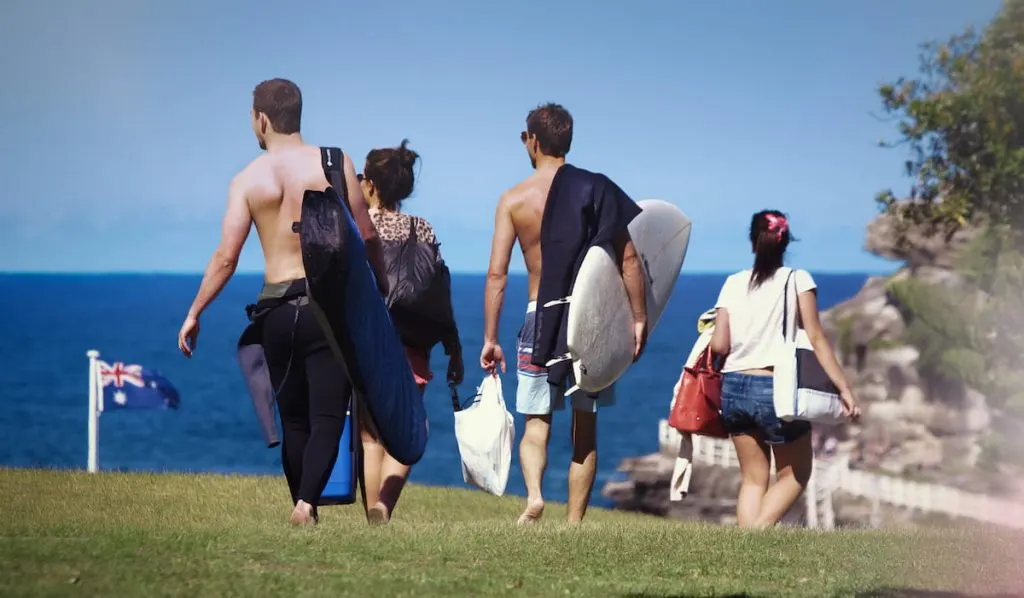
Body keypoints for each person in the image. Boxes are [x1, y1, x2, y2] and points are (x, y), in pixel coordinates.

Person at [176, 78, 387, 526]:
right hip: (325, 309)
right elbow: (366, 235)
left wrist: (195, 312)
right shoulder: (334, 162)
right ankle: (306, 504)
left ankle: (302, 507)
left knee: (293, 418)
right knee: (330, 413)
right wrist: (379, 291)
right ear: (297, 114)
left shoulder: (248, 180)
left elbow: (226, 257)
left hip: (274, 310)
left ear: (261, 119)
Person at [480, 103, 647, 525]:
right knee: (584, 425)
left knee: (535, 422)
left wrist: (490, 337)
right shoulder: (596, 188)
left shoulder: (513, 199)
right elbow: (628, 259)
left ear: (533, 140)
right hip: (587, 322)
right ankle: (573, 525)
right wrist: (639, 319)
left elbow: (497, 275)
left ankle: (535, 495)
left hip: (541, 319)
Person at [708, 210, 861, 528]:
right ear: (786, 242)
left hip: (734, 387)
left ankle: (745, 553)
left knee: (753, 479)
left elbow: (719, 346)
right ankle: (754, 539)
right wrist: (844, 389)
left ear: (753, 242)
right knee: (797, 473)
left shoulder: (732, 283)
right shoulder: (798, 280)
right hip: (774, 389)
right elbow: (816, 337)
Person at [357, 139, 464, 525]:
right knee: (409, 428)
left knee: (370, 436)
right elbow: (439, 289)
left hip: (367, 340)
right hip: (413, 343)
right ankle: (383, 506)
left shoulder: (358, 227)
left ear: (369, 183)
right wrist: (453, 347)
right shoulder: (422, 228)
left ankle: (374, 515)